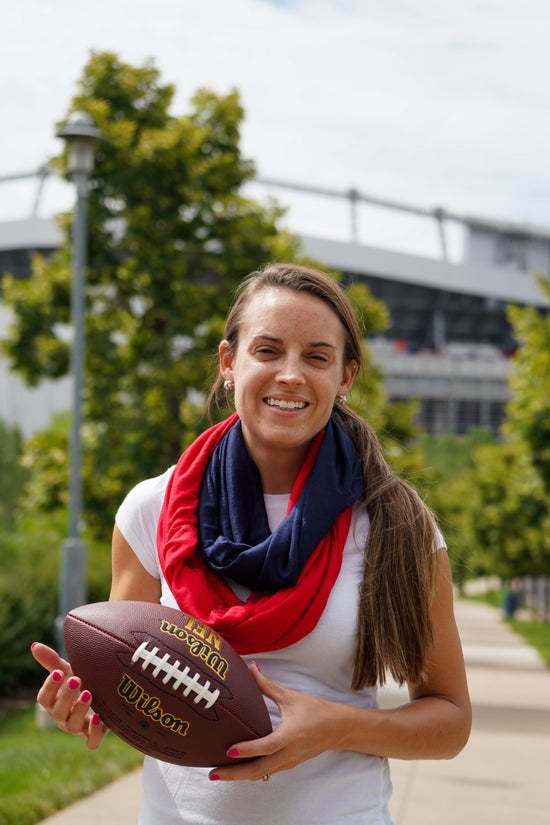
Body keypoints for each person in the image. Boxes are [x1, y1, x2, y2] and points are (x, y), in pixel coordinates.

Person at [32, 263, 471, 825]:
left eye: (317, 356)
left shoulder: (396, 524)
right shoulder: (151, 508)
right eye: (267, 350)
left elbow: (450, 722)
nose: (290, 374)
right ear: (228, 363)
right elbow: (134, 683)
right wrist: (90, 709)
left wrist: (339, 726)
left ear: (345, 378)